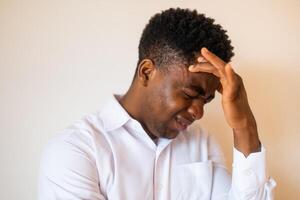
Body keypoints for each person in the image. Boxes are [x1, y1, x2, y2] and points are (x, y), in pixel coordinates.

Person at [38, 8, 276, 199]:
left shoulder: (202, 143)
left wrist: (245, 125)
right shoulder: (75, 151)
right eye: (190, 93)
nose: (198, 112)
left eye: (206, 100)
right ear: (147, 72)